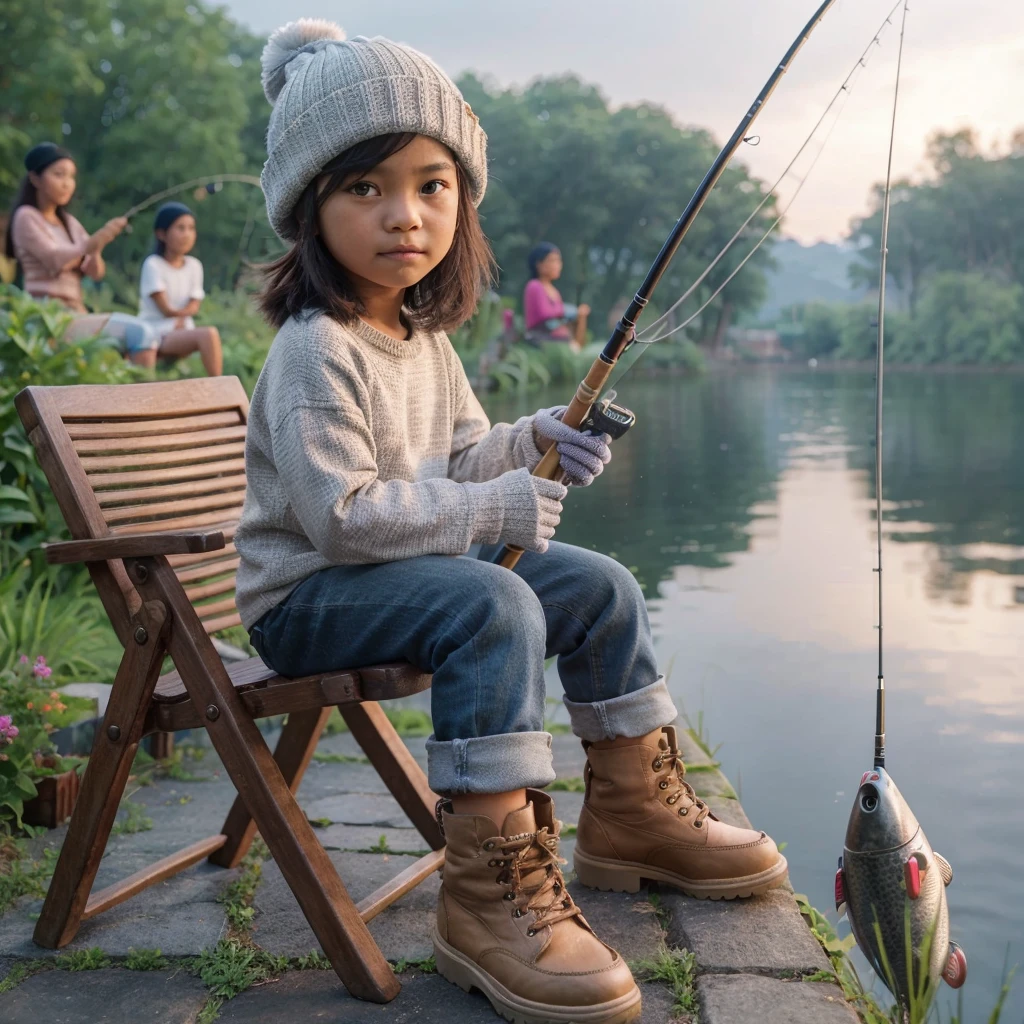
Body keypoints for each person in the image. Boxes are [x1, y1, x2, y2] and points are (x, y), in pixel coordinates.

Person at [236, 19, 787, 1024]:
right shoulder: (316, 350)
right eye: (365, 187)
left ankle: (631, 817)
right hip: (308, 600)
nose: (404, 214)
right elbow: (345, 520)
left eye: (429, 184)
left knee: (596, 584)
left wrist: (529, 435)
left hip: (392, 571)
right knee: (491, 604)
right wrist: (493, 504)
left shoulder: (416, 335)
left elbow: (454, 457)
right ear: (308, 209)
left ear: (462, 201)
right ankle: (487, 893)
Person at [5, 141, 160, 362]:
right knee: (142, 333)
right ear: (35, 178)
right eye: (59, 175)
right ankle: (148, 398)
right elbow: (54, 259)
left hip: (78, 314)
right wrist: (95, 240)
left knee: (136, 341)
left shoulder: (69, 222)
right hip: (49, 319)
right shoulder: (26, 217)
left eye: (71, 177)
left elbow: (95, 272)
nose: (67, 183)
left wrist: (96, 248)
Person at [136, 203, 222, 376]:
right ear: (161, 234)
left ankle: (221, 390)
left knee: (209, 334)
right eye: (180, 228)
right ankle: (220, 389)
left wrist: (181, 317)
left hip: (182, 329)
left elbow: (194, 305)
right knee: (207, 334)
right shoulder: (153, 264)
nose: (187, 234)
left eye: (191, 228)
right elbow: (165, 309)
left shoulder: (194, 266)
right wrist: (182, 316)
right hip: (154, 331)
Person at [522, 242, 590, 350]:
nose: (557, 265)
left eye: (559, 261)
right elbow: (544, 313)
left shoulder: (554, 291)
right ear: (539, 264)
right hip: (539, 339)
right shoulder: (534, 286)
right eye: (553, 260)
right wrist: (571, 310)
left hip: (557, 339)